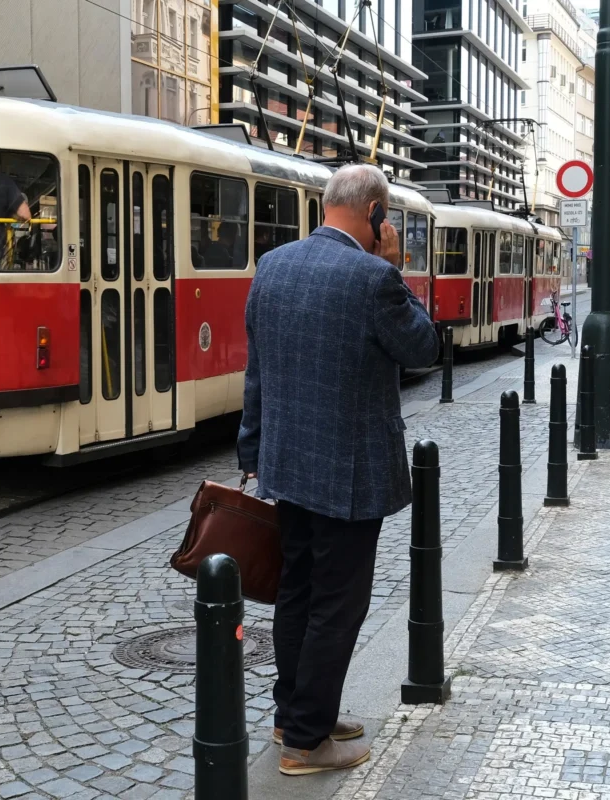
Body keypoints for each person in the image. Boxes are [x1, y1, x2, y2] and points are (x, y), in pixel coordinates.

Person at [237, 165, 438, 777]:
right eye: (389, 221)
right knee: (337, 606)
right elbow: (425, 347)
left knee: (295, 593)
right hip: (349, 474)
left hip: (286, 466)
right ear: (376, 214)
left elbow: (257, 373)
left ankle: (294, 714)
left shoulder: (272, 266)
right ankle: (305, 741)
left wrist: (252, 451)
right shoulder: (375, 278)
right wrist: (397, 271)